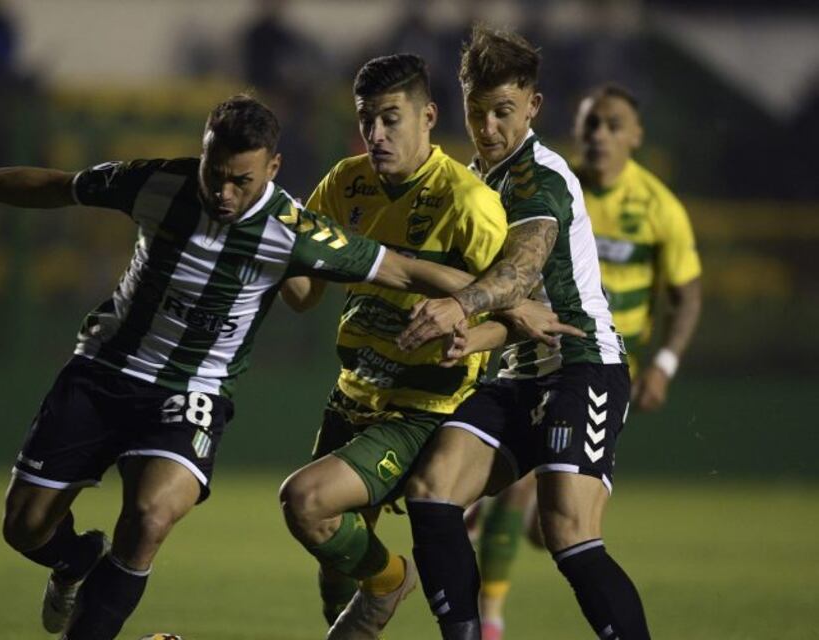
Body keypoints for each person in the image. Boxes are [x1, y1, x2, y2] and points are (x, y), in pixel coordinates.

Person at [0, 94, 487, 640]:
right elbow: (59, 187)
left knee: (151, 515)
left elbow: (406, 270)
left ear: (272, 170)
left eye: (240, 182)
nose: (223, 193)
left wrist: (499, 300)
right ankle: (75, 561)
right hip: (102, 372)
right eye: (214, 174)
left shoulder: (295, 231)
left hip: (192, 391)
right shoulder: (155, 183)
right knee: (24, 527)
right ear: (201, 154)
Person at [276, 54, 583, 640]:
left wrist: (471, 327)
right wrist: (270, 242)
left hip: (423, 408)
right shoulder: (346, 182)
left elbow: (523, 314)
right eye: (367, 120)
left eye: (391, 119)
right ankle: (375, 591)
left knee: (306, 502)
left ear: (428, 117)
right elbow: (302, 295)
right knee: (335, 571)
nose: (376, 135)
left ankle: (395, 580)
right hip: (354, 396)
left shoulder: (469, 203)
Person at [396, 28, 652, 640]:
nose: (487, 127)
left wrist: (461, 307)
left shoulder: (540, 177)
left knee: (566, 531)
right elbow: (512, 315)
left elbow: (520, 272)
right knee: (432, 492)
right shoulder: (469, 182)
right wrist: (473, 336)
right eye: (476, 110)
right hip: (516, 372)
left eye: (503, 112)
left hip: (582, 365)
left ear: (532, 107)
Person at [467, 83, 702, 640]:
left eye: (612, 124)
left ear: (636, 136)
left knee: (553, 521)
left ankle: (492, 609)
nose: (598, 136)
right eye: (590, 124)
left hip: (596, 363)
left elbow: (686, 293)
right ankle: (492, 619)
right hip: (539, 358)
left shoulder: (658, 207)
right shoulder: (551, 186)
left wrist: (664, 363)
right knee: (529, 499)